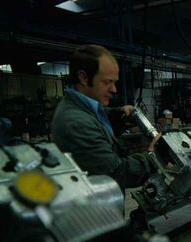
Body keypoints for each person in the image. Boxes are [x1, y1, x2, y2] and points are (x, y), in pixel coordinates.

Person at [51, 44, 158, 191]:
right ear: (84, 77)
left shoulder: (84, 107)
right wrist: (151, 157)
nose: (114, 89)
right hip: (94, 210)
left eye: (114, 82)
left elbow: (99, 117)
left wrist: (120, 113)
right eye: (107, 82)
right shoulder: (75, 122)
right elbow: (116, 173)